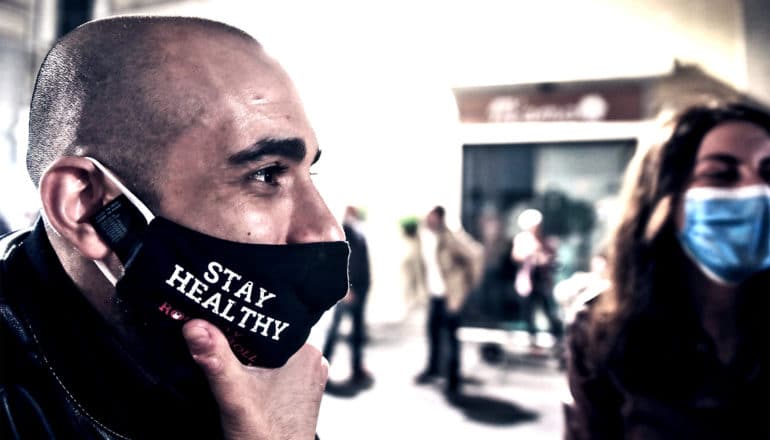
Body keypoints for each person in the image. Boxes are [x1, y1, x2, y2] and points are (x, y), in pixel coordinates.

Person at [0, 16, 350, 439]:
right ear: (86, 205)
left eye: (308, 172)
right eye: (266, 174)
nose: (329, 231)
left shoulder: (204, 355)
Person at [564, 102, 770, 439]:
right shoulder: (602, 330)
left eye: (769, 172)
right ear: (666, 201)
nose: (758, 191)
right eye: (721, 175)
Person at [414, 205, 482, 397]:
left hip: (451, 296)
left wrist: (467, 286)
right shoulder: (424, 235)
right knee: (433, 333)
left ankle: (453, 379)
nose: (428, 219)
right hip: (434, 295)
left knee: (451, 338)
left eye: (432, 216)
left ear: (439, 217)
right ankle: (433, 369)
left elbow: (476, 254)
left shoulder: (452, 236)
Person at [322, 206, 374, 390]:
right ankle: (322, 369)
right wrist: (347, 289)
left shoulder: (359, 234)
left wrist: (365, 288)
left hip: (361, 291)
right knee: (335, 331)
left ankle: (357, 368)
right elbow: (344, 263)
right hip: (348, 292)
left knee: (358, 333)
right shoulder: (344, 233)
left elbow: (363, 263)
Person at [511, 208, 563, 345]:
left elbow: (553, 259)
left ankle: (557, 337)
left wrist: (543, 256)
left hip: (542, 281)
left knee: (548, 309)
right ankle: (530, 337)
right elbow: (516, 256)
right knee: (527, 311)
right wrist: (529, 253)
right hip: (528, 281)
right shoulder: (522, 239)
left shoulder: (545, 240)